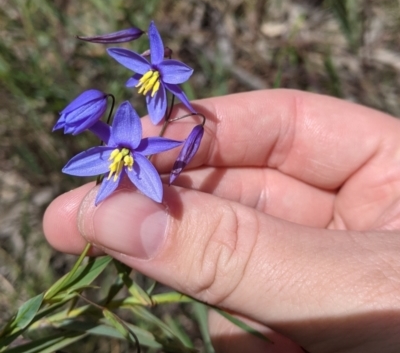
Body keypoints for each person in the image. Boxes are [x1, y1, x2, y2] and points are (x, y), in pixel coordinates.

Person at [43, 89, 400, 353]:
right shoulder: (125, 146)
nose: (118, 160)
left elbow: (151, 182)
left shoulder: (141, 156)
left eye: (121, 156)